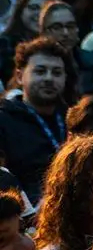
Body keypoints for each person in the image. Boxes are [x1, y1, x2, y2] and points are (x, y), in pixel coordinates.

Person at [0, 37, 72, 202]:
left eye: (56, 72)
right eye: (40, 71)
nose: (49, 78)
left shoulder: (74, 117)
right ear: (19, 76)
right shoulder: (4, 120)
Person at [39, 0, 93, 98]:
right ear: (44, 33)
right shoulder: (35, 66)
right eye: (57, 27)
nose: (65, 33)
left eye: (70, 26)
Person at [0, 0, 51, 85]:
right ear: (21, 11)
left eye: (44, 8)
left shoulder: (55, 43)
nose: (39, 13)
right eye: (33, 8)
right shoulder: (5, 43)